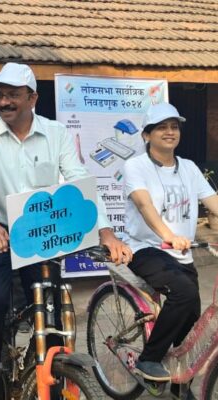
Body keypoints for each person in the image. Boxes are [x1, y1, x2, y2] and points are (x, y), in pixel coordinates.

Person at [0, 62, 132, 400]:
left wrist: (105, 230)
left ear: (32, 98)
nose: (4, 102)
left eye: (13, 95)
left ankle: (50, 380)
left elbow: (78, 179)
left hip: (42, 233)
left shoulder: (56, 133)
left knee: (51, 305)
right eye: (0, 95)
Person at [122, 103, 218, 395]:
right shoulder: (136, 166)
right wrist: (169, 235)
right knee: (184, 293)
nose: (170, 132)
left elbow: (212, 201)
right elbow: (144, 205)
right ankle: (149, 358)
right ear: (147, 135)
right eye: (161, 127)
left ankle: (180, 387)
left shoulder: (188, 167)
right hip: (146, 249)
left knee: (191, 323)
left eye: (174, 126)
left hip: (181, 254)